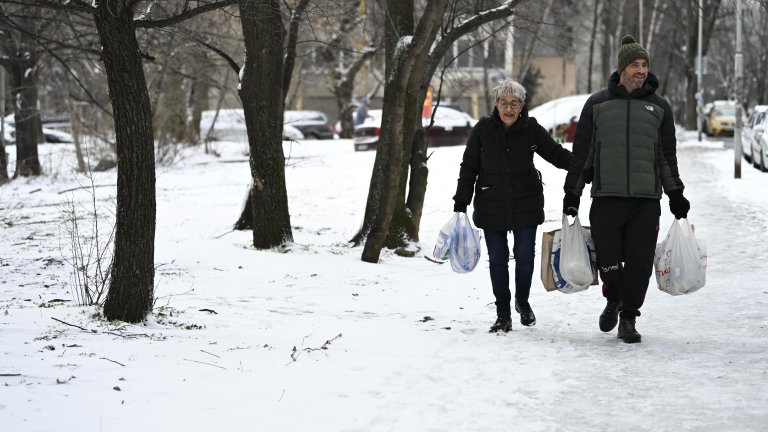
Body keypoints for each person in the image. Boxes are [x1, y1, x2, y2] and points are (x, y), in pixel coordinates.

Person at [562, 35, 690, 344]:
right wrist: (573, 193)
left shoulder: (659, 107)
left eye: (645, 65)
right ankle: (613, 298)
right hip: (607, 198)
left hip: (645, 201)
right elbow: (584, 153)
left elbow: (665, 157)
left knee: (640, 263)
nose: (641, 71)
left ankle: (629, 317)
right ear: (622, 68)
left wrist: (675, 194)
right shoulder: (598, 104)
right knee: (608, 261)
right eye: (635, 65)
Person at [453, 79, 572, 333]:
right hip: (491, 204)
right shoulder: (483, 129)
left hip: (525, 203)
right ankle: (503, 314)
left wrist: (584, 166)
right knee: (497, 260)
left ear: (522, 105)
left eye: (514, 103)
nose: (509, 108)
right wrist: (461, 201)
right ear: (496, 104)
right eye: (504, 103)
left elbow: (555, 154)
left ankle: (522, 301)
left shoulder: (530, 128)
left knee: (525, 257)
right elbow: (469, 166)